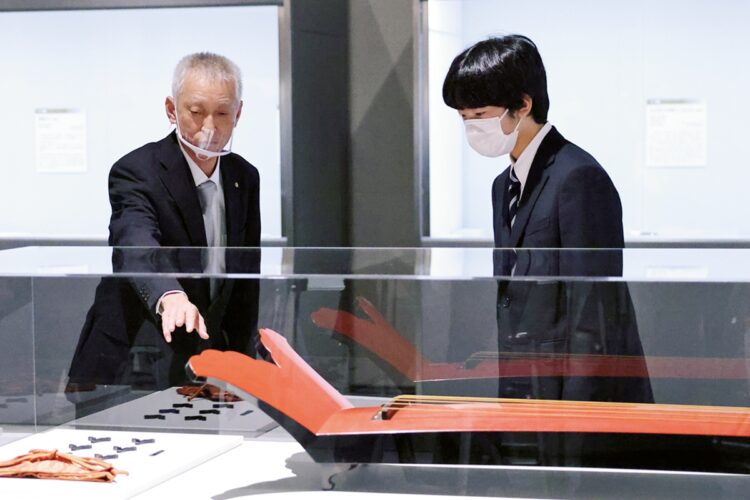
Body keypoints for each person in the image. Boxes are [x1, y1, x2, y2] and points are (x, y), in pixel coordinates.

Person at [443, 35, 651, 465]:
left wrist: (575, 421)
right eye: (464, 118)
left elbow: (593, 316)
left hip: (577, 404)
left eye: (480, 115)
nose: (471, 128)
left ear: (523, 104)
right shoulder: (505, 185)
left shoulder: (578, 177)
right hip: (530, 391)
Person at [68, 52, 261, 390]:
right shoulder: (137, 171)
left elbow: (244, 282)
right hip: (134, 360)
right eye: (196, 113)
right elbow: (135, 242)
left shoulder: (244, 177)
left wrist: (240, 365)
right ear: (172, 109)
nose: (210, 129)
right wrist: (170, 294)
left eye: (223, 114)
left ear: (239, 113)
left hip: (205, 364)